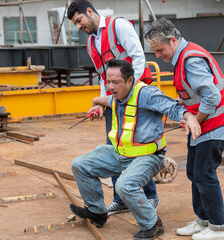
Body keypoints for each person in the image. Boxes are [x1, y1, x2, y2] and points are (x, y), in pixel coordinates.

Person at [69, 59, 200, 239]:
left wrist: (189, 117)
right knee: (80, 165)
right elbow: (103, 99)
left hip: (148, 157)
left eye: (116, 82)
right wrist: (97, 104)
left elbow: (172, 107)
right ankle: (97, 213)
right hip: (120, 153)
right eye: (108, 81)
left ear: (130, 81)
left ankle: (152, 224)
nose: (110, 87)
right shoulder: (117, 96)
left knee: (124, 185)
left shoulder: (147, 94)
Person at [144, 18, 224, 240]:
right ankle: (204, 220)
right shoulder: (183, 57)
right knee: (193, 171)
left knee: (204, 173)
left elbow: (213, 96)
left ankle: (220, 228)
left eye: (160, 50)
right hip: (206, 124)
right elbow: (195, 93)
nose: (158, 56)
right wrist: (184, 106)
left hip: (218, 123)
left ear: (173, 40)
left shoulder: (190, 60)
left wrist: (195, 120)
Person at [67, 0, 158, 216]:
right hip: (115, 101)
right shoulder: (91, 43)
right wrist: (101, 102)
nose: (79, 27)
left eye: (79, 20)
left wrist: (130, 92)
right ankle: (121, 199)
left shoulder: (119, 26)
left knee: (139, 146)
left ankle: (150, 196)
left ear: (89, 11)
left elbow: (138, 57)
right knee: (115, 147)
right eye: (76, 24)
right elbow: (103, 76)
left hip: (136, 96)